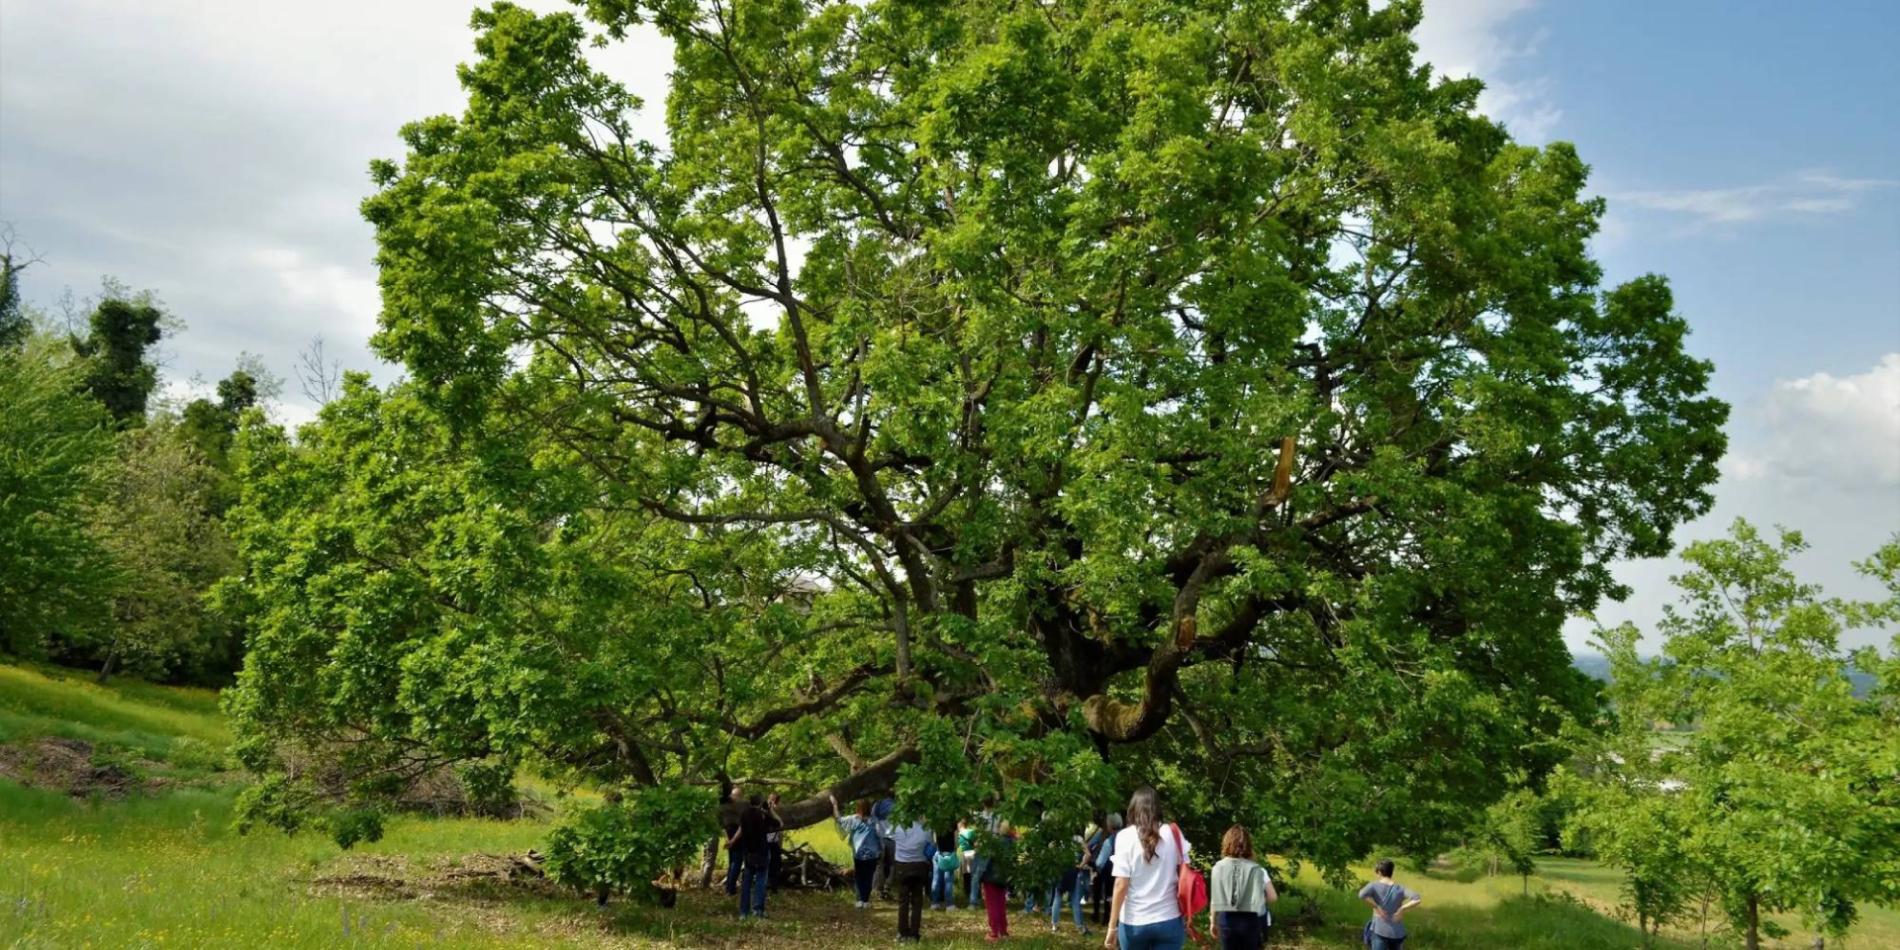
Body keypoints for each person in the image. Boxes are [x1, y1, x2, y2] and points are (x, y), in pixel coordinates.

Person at [1105, 786, 1190, 950]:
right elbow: (1185, 875)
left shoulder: (1125, 836)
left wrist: (1111, 926)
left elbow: (1121, 885)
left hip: (1134, 922)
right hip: (1169, 918)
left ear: (1133, 808)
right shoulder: (1174, 834)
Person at [1209, 825, 1277, 950]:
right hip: (1250, 921)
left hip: (1227, 921)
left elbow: (1215, 900)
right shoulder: (1256, 869)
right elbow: (1268, 899)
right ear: (1248, 845)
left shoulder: (1218, 868)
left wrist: (1213, 921)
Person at [730, 793, 780, 919]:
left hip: (748, 853)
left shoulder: (744, 814)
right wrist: (770, 811)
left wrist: (732, 841)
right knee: (760, 882)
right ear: (760, 803)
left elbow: (741, 829)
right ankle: (758, 910)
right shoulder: (762, 815)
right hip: (762, 852)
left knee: (746, 883)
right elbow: (779, 824)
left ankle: (743, 912)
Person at [831, 794, 884, 908]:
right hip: (872, 854)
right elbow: (880, 835)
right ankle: (865, 900)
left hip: (859, 853)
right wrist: (881, 850)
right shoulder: (875, 821)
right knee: (868, 877)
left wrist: (835, 805)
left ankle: (859, 900)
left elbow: (839, 820)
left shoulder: (855, 819)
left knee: (859, 877)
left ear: (858, 808)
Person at [1357, 859, 1421, 950]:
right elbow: (1417, 898)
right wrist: (1401, 909)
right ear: (1391, 872)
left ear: (1379, 872)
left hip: (1379, 929)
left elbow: (1361, 895)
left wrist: (1376, 907)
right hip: (1397, 932)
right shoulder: (1400, 888)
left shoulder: (1373, 885)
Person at [891, 817, 935, 941]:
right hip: (919, 865)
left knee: (903, 901)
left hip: (902, 865)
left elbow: (889, 837)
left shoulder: (898, 826)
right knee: (917, 901)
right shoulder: (926, 827)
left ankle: (902, 932)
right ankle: (914, 933)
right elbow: (931, 845)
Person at [1049, 823, 1094, 936]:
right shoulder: (1078, 839)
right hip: (1074, 870)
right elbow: (1088, 854)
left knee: (1057, 897)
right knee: (1075, 900)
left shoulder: (1057, 841)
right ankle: (1080, 927)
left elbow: (1050, 852)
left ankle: (1055, 925)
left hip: (1061, 870)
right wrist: (1081, 864)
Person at [978, 821, 1018, 941]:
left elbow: (987, 859)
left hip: (991, 876)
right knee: (1001, 904)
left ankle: (994, 932)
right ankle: (1003, 930)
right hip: (1004, 877)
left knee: (992, 905)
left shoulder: (996, 842)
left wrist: (980, 874)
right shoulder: (1013, 843)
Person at [1090, 813, 1122, 926]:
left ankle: (1108, 919)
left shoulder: (1109, 841)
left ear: (1109, 825)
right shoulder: (1127, 837)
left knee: (1109, 895)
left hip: (1111, 871)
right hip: (1126, 873)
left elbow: (1100, 862)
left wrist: (1096, 869)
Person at [720, 782, 745, 896]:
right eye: (733, 795)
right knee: (735, 862)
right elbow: (740, 826)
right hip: (735, 836)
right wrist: (731, 840)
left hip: (733, 836)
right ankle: (730, 888)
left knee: (734, 862)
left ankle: (730, 887)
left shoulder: (736, 809)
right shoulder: (732, 810)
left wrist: (730, 840)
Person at [872, 796, 898, 900]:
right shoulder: (897, 806)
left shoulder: (877, 805)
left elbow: (873, 819)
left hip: (880, 838)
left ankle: (877, 889)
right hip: (893, 839)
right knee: (893, 865)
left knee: (879, 865)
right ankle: (887, 888)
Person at [932, 826, 962, 910]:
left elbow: (934, 840)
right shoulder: (952, 820)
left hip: (939, 852)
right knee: (948, 880)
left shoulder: (936, 820)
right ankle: (949, 904)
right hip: (950, 853)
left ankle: (935, 903)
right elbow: (956, 838)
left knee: (936, 879)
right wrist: (955, 847)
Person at [765, 792, 784, 890]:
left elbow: (780, 824)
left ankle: (773, 883)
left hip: (775, 838)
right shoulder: (765, 809)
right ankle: (769, 882)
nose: (771, 801)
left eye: (773, 799)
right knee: (769, 860)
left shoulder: (778, 809)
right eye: (770, 798)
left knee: (775, 861)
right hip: (767, 838)